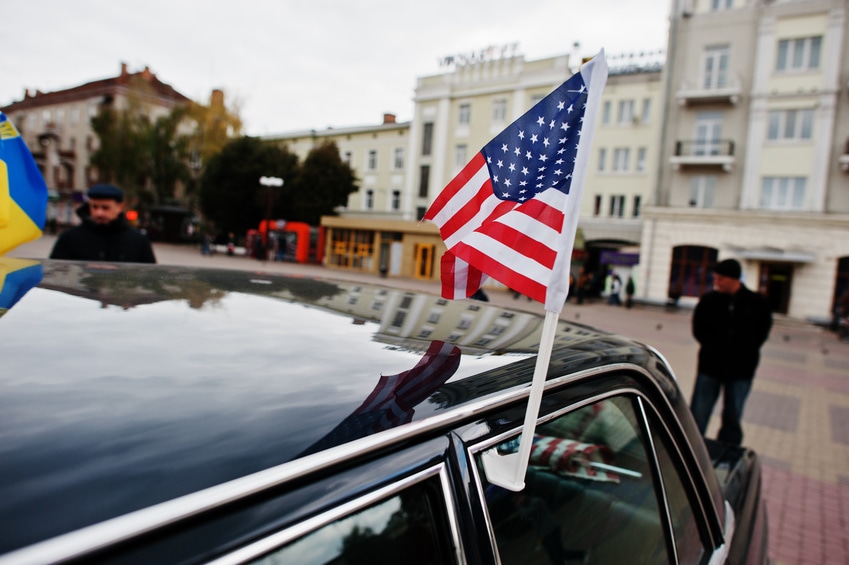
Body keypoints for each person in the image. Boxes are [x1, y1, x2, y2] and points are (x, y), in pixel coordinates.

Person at [690, 259, 772, 445]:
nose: (716, 282)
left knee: (733, 415)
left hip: (741, 370)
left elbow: (761, 333)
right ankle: (692, 447)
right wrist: (714, 347)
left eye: (720, 278)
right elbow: (699, 329)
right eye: (715, 278)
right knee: (698, 413)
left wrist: (743, 352)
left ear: (733, 279)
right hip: (710, 367)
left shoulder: (756, 303)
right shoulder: (709, 301)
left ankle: (728, 451)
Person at [50, 184, 156, 263]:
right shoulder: (69, 238)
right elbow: (53, 274)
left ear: (120, 207)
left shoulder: (138, 241)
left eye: (105, 208)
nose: (99, 213)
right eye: (94, 207)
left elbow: (151, 278)